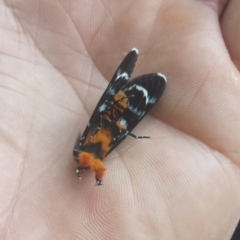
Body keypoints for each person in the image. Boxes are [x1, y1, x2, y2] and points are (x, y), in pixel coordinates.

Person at [0, 0, 239, 239]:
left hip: (121, 114)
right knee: (115, 119)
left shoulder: (96, 149)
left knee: (117, 122)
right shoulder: (93, 146)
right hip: (118, 109)